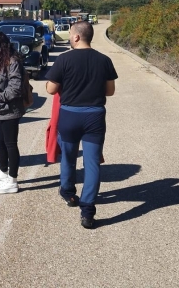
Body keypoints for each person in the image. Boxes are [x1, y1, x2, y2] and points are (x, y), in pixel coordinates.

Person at [45, 21, 117, 229]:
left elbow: (51, 89)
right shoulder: (104, 60)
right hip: (94, 116)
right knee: (92, 163)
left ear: (76, 37)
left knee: (68, 156)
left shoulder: (64, 59)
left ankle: (68, 193)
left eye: (70, 35)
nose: (69, 38)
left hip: (69, 115)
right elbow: (110, 91)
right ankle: (87, 211)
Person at [0, 31, 26, 194]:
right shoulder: (0, 59)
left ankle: (12, 181)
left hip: (9, 109)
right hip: (0, 109)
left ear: (0, 45)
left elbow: (14, 87)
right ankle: (3, 171)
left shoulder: (12, 61)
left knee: (10, 143)